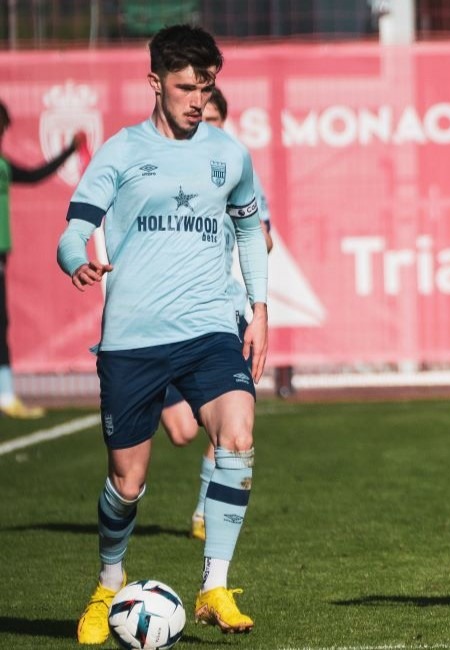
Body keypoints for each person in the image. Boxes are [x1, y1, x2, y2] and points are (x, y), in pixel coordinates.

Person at [58, 25, 268, 643]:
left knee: (238, 434)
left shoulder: (229, 154)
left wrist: (258, 309)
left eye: (206, 87)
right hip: (133, 338)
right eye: (184, 87)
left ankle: (215, 588)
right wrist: (78, 260)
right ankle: (108, 582)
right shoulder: (121, 152)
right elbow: (75, 228)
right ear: (154, 82)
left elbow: (251, 230)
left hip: (209, 329)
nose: (197, 99)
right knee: (127, 482)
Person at [158, 86, 273, 542]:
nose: (208, 127)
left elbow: (263, 237)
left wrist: (245, 228)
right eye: (200, 119)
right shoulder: (168, 170)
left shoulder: (237, 169)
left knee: (231, 421)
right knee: (182, 430)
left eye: (216, 119)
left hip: (224, 312)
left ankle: (205, 513)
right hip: (165, 317)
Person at [0, 101, 84, 418]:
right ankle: (5, 393)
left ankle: (6, 393)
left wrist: (68, 152)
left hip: (1, 255)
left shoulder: (4, 164)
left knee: (2, 324)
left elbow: (35, 175)